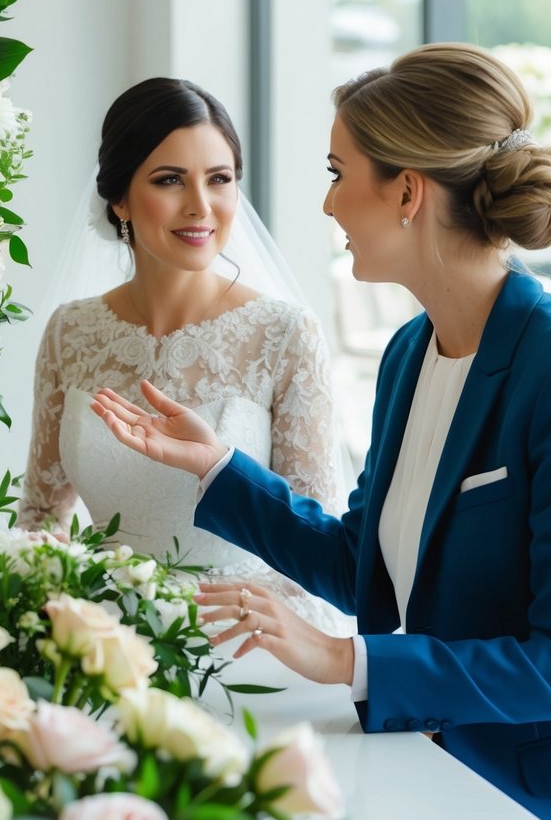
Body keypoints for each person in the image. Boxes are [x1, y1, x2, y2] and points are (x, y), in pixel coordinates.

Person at [90, 43, 551, 820]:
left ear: (406, 192)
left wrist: (341, 657)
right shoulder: (409, 352)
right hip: (451, 778)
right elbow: (366, 561)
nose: (326, 202)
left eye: (339, 172)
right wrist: (216, 466)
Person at [18, 76, 352, 634]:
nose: (201, 206)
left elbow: (312, 550)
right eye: (170, 180)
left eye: (219, 180)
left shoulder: (286, 334)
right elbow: (39, 520)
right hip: (100, 639)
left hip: (242, 641)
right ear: (120, 196)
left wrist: (195, 631)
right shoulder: (68, 332)